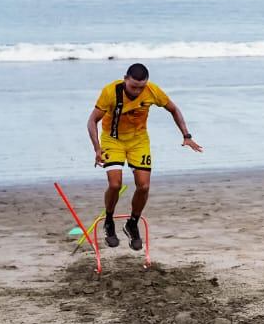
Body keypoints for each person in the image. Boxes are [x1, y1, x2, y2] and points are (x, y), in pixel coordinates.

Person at [86, 63, 203, 250]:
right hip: (112, 140)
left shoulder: (152, 91)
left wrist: (186, 135)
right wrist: (97, 148)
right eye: (133, 87)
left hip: (139, 141)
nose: (137, 91)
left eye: (141, 87)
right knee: (115, 184)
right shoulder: (110, 91)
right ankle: (109, 222)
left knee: (144, 185)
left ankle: (132, 224)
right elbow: (92, 121)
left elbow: (173, 109)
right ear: (125, 79)